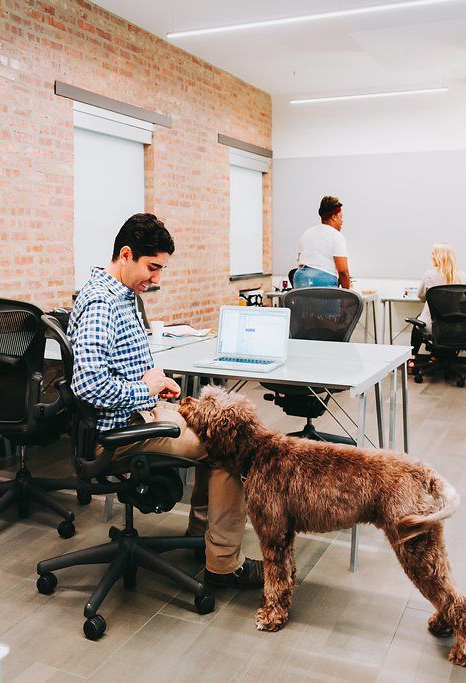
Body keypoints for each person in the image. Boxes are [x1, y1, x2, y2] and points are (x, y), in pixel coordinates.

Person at [67, 213, 264, 589]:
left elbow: (116, 368)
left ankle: (203, 540)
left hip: (138, 411)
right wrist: (147, 390)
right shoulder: (101, 303)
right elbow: (89, 385)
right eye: (152, 268)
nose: (157, 279)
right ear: (126, 255)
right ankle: (222, 564)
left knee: (224, 425)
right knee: (232, 446)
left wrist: (156, 381)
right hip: (124, 429)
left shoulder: (121, 295)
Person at [410, 243, 466, 369]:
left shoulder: (429, 275)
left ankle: (413, 358)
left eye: (433, 254)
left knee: (418, 322)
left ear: (439, 257)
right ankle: (435, 356)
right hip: (458, 328)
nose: (431, 257)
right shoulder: (462, 276)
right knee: (440, 324)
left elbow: (421, 296)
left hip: (434, 327)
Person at [293, 195, 351, 289]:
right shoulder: (336, 236)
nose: (342, 221)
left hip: (300, 282)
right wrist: (347, 295)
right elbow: (343, 271)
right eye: (341, 217)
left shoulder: (306, 233)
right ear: (334, 217)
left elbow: (300, 259)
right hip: (321, 284)